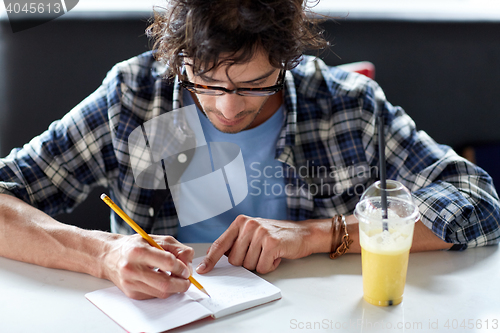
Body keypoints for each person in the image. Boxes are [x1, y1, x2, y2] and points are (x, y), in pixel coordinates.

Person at [0, 0, 499, 301]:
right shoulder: (135, 97)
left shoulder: (346, 106)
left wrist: (316, 235)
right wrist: (103, 254)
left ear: (287, 60)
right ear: (177, 60)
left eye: (255, 85)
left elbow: (477, 201)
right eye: (205, 82)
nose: (228, 108)